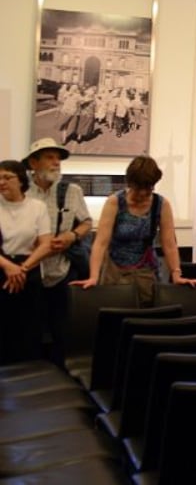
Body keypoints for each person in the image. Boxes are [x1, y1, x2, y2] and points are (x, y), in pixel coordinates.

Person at [70, 156, 196, 306]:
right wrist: (93, 276)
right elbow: (100, 243)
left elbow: (169, 244)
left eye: (149, 188)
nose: (144, 193)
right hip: (114, 272)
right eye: (139, 188)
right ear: (130, 183)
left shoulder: (161, 204)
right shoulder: (115, 202)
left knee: (146, 314)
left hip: (146, 272)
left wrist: (176, 274)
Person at [25, 138, 93, 366]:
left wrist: (71, 236)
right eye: (50, 157)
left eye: (58, 158)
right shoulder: (21, 190)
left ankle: (63, 376)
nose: (56, 163)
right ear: (33, 163)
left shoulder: (71, 190)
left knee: (62, 330)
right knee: (29, 330)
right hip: (29, 271)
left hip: (63, 270)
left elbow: (86, 223)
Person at [0, 160, 55, 363]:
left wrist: (21, 268)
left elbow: (46, 244)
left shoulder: (36, 207)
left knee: (27, 329)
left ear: (21, 179)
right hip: (2, 268)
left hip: (28, 271)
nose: (2, 182)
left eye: (7, 177)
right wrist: (8, 266)